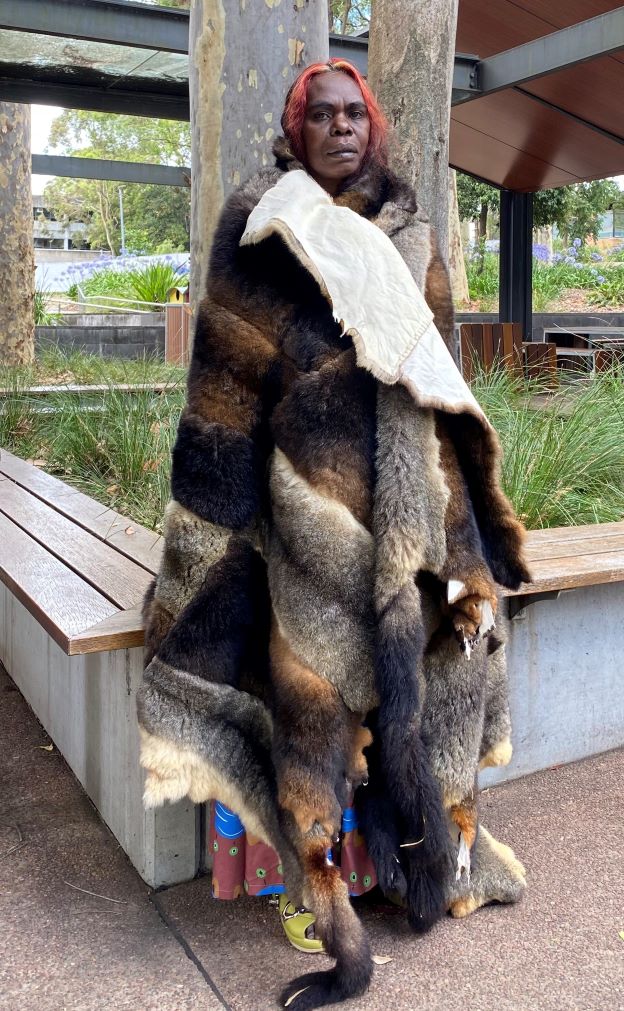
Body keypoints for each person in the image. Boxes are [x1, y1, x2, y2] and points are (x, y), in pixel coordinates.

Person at [137, 59, 530, 1011]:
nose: (342, 128)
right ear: (295, 127)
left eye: (356, 114)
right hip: (307, 518)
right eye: (323, 115)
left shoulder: (410, 234)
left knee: (446, 675)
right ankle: (327, 906)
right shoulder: (260, 235)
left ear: (376, 127)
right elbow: (223, 399)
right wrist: (197, 543)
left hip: (413, 510)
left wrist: (467, 531)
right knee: (312, 703)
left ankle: (429, 860)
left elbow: (439, 387)